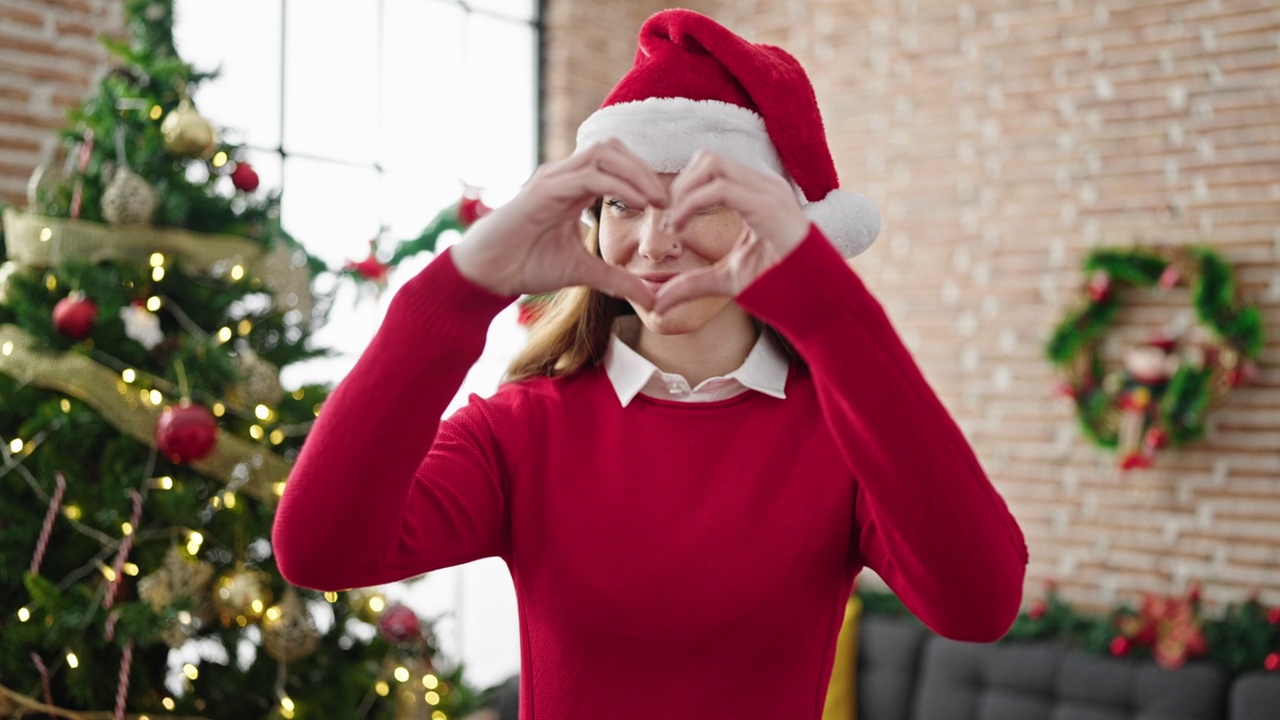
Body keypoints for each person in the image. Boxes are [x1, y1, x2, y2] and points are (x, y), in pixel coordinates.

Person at [272, 9, 1027, 719]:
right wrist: (458, 292)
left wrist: (829, 308)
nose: (653, 243)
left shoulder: (844, 435)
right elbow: (319, 550)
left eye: (699, 200)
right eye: (624, 205)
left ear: (778, 225)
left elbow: (978, 605)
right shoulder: (519, 430)